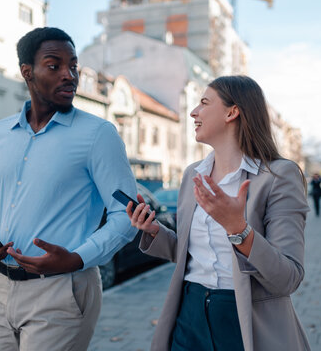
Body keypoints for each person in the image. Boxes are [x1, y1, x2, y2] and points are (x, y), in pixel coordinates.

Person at [0, 27, 137, 351]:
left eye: (74, 66)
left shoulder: (99, 135)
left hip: (61, 291)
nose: (69, 75)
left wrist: (77, 259)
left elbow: (126, 216)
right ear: (27, 72)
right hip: (0, 288)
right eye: (55, 66)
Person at [128, 75, 311, 351]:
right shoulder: (194, 174)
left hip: (244, 320)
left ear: (232, 112)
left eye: (203, 102)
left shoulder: (278, 176)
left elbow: (288, 278)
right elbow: (189, 254)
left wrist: (239, 230)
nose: (193, 112)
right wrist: (154, 231)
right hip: (189, 313)